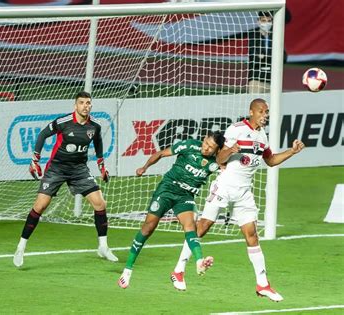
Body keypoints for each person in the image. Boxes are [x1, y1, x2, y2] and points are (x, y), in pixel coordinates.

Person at [173, 98, 305, 301]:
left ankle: (263, 284)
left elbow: (270, 161)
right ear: (251, 112)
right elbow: (218, 159)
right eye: (261, 111)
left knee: (252, 235)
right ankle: (179, 270)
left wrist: (292, 152)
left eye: (266, 112)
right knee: (202, 227)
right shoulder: (235, 130)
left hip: (244, 192)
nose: (265, 115)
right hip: (224, 187)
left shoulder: (262, 137)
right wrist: (230, 150)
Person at [13, 91, 118, 267]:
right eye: (82, 103)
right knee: (40, 206)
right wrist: (35, 159)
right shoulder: (63, 122)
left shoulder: (94, 126)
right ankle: (21, 247)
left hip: (79, 170)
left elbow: (98, 142)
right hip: (56, 168)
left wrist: (101, 165)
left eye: (88, 103)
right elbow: (42, 135)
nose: (86, 106)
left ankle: (103, 246)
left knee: (100, 203)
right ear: (75, 106)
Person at [118, 131, 225, 290]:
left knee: (190, 227)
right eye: (206, 143)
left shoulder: (216, 162)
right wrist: (144, 167)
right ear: (203, 139)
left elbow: (230, 164)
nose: (206, 148)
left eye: (211, 148)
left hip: (185, 196)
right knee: (148, 228)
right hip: (167, 189)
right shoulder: (189, 146)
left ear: (217, 150)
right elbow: (161, 153)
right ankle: (127, 271)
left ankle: (199, 262)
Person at [247, 11, 274, 94]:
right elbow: (254, 57)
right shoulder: (253, 35)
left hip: (272, 79)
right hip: (256, 79)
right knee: (255, 103)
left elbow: (283, 57)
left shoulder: (276, 35)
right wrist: (271, 57)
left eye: (269, 21)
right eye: (263, 21)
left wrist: (263, 56)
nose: (266, 23)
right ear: (258, 21)